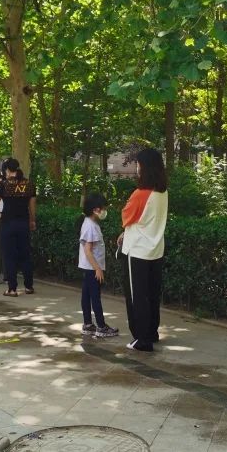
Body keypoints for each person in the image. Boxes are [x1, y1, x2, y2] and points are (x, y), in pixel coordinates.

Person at [117, 149, 168, 351]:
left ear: (144, 167)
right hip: (156, 249)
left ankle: (142, 338)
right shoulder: (163, 192)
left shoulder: (140, 194)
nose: (136, 167)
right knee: (152, 294)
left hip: (137, 250)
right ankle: (152, 333)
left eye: (138, 164)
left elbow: (126, 216)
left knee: (137, 296)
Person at [0, 158, 36, 297]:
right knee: (25, 254)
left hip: (8, 224)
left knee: (9, 256)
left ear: (6, 170)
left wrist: (0, 214)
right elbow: (32, 205)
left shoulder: (4, 184)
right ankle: (29, 286)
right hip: (23, 223)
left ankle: (12, 289)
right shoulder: (28, 184)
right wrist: (32, 221)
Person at [79, 193, 119, 338]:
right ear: (96, 210)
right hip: (92, 268)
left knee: (86, 295)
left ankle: (88, 324)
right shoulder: (90, 226)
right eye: (104, 208)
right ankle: (101, 327)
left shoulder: (89, 223)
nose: (105, 211)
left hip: (88, 267)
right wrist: (97, 269)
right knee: (95, 297)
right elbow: (88, 250)